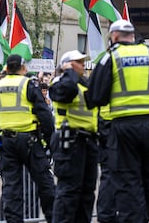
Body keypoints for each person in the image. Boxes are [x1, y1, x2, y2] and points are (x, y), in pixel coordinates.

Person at [85, 19, 149, 222]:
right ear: (132, 35)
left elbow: (94, 96)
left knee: (129, 186)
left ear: (113, 37)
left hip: (123, 130)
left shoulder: (111, 57)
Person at [0, 54, 55, 223]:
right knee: (45, 183)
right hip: (29, 141)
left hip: (7, 142)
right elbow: (45, 115)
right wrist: (50, 142)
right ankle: (54, 217)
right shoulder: (27, 84)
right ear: (22, 67)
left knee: (11, 187)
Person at [49, 50, 98, 223]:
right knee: (69, 191)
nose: (83, 64)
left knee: (87, 192)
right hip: (69, 141)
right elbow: (66, 92)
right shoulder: (60, 82)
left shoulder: (83, 84)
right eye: (78, 61)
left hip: (87, 141)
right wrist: (68, 71)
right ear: (67, 64)